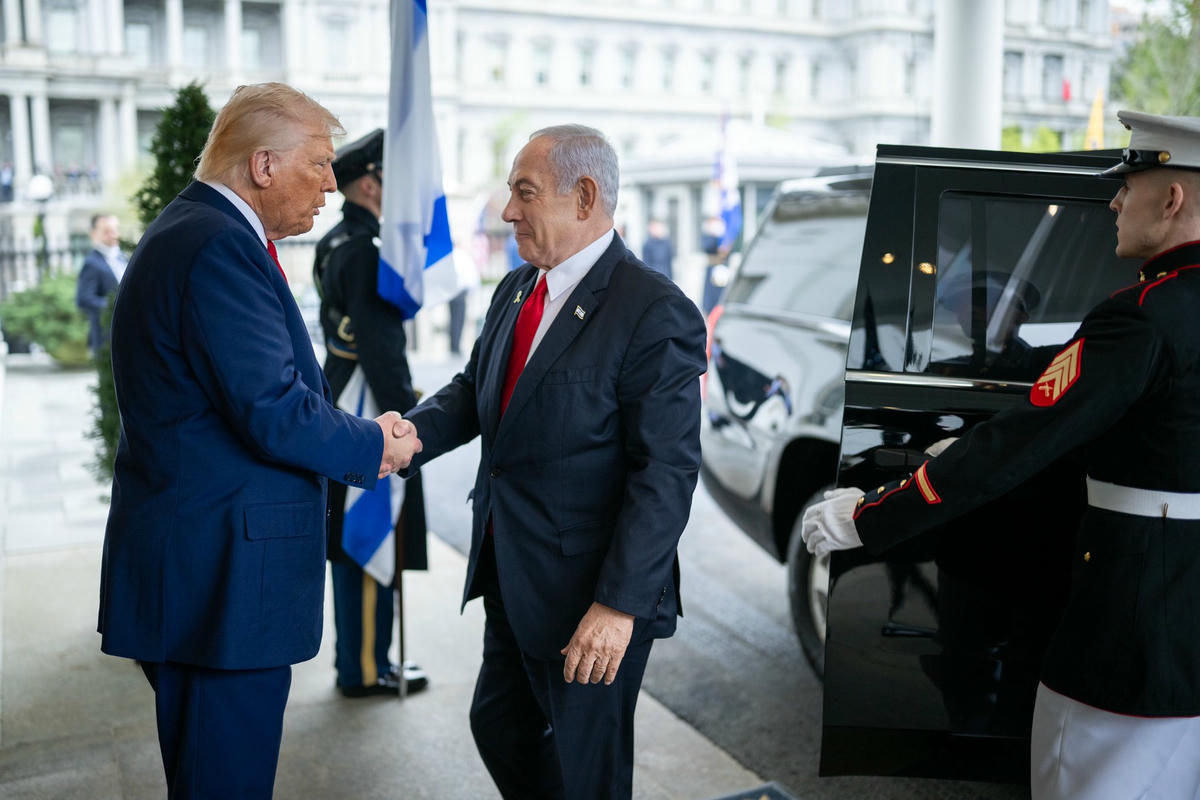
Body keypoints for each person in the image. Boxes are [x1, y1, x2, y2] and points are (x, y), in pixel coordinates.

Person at [802, 110, 1200, 800]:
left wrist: (867, 517)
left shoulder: (1141, 316)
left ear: (1170, 199)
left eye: (1127, 186)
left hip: (1133, 622)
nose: (1113, 201)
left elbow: (1022, 439)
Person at [96, 83, 422, 799]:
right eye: (320, 163)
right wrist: (374, 444)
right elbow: (272, 407)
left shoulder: (202, 231)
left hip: (205, 568)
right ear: (264, 165)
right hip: (220, 580)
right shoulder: (216, 244)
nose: (332, 184)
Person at [400, 124, 707, 800]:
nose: (508, 210)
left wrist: (617, 607)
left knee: (584, 773)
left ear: (585, 196)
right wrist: (406, 437)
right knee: (500, 726)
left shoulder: (653, 310)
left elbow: (665, 473)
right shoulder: (517, 287)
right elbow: (475, 390)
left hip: (587, 596)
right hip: (512, 569)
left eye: (525, 192)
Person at [313, 128, 429, 698]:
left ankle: (362, 659)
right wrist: (407, 419)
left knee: (352, 540)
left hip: (339, 394)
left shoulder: (335, 240)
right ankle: (363, 667)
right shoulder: (366, 252)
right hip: (368, 405)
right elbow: (381, 351)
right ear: (369, 183)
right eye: (388, 179)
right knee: (366, 539)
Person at [75, 213, 125, 355]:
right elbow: (84, 299)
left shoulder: (124, 258)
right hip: (106, 338)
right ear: (93, 234)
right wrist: (116, 306)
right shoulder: (91, 263)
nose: (112, 235)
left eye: (115, 230)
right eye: (106, 231)